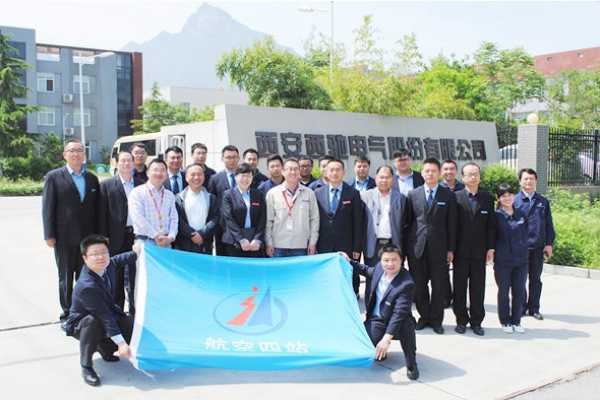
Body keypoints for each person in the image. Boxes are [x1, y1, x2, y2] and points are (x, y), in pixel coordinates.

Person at [65, 234, 137, 387]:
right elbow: (104, 316)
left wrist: (138, 253)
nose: (101, 257)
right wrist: (121, 343)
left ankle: (105, 348)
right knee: (93, 322)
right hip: (83, 324)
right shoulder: (87, 286)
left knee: (132, 326)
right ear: (85, 258)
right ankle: (86, 366)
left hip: (106, 314)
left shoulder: (107, 265)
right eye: (95, 254)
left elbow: (118, 260)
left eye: (104, 252)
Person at [42, 139, 100, 328]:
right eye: (72, 151)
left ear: (84, 154)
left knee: (85, 277)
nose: (76, 154)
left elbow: (96, 209)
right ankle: (67, 314)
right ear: (65, 154)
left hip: (87, 238)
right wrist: (49, 234)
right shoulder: (54, 177)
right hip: (64, 236)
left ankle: (83, 310)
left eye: (79, 150)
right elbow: (48, 207)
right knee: (65, 277)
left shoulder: (91, 178)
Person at [340, 245, 419, 381]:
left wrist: (386, 340)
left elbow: (399, 313)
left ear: (401, 260)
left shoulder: (407, 283)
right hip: (377, 319)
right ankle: (380, 350)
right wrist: (349, 261)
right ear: (381, 260)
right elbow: (366, 270)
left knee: (407, 327)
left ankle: (412, 365)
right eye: (386, 260)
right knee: (364, 347)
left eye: (394, 260)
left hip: (399, 321)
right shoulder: (379, 268)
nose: (390, 264)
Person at [405, 157, 457, 334]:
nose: (430, 174)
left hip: (439, 248)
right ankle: (424, 317)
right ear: (422, 173)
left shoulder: (448, 195)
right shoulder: (413, 194)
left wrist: (450, 249)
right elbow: (408, 223)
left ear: (439, 173)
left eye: (434, 171)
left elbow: (452, 224)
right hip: (417, 248)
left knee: (438, 286)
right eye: (427, 171)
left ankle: (436, 320)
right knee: (419, 285)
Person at [452, 163, 496, 336]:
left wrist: (491, 248)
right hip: (460, 251)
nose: (473, 177)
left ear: (479, 176)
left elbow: (491, 226)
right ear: (462, 177)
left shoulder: (487, 199)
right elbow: (451, 225)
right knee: (459, 288)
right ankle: (461, 320)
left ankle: (477, 322)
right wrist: (451, 249)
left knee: (478, 288)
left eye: (476, 173)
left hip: (479, 251)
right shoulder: (455, 197)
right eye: (469, 174)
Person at [98, 151, 143, 315]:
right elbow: (102, 214)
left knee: (135, 274)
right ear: (116, 164)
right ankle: (117, 311)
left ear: (133, 163)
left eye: (129, 160)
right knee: (115, 275)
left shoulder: (141, 184)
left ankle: (135, 310)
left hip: (136, 235)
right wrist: (104, 238)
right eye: (123, 161)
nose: (126, 163)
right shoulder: (107, 185)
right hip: (115, 236)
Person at [314, 159, 364, 296]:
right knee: (326, 274)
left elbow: (358, 222)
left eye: (338, 170)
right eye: (331, 170)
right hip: (324, 243)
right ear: (325, 172)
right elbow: (315, 220)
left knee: (348, 274)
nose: (334, 173)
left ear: (344, 172)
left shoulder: (353, 193)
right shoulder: (317, 193)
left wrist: (357, 247)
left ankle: (351, 297)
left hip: (346, 243)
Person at [361, 165, 408, 305]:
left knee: (392, 278)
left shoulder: (401, 199)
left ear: (393, 180)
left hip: (393, 244)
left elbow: (406, 224)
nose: (384, 180)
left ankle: (389, 308)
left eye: (387, 177)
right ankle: (371, 309)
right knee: (372, 278)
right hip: (373, 244)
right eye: (381, 177)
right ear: (375, 178)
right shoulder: (364, 197)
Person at [514, 168, 555, 321]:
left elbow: (549, 225)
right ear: (520, 181)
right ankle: (521, 307)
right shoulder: (514, 201)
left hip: (537, 247)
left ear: (536, 181)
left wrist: (549, 244)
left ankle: (534, 308)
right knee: (519, 279)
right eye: (525, 178)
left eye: (531, 178)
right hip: (519, 248)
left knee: (535, 279)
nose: (528, 181)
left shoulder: (543, 202)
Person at [265, 158, 320, 257]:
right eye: (290, 169)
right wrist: (269, 242)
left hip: (302, 245)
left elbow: (314, 219)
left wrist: (313, 242)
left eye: (296, 169)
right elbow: (269, 221)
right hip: (279, 246)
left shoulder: (309, 193)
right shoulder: (273, 193)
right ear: (283, 171)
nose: (293, 172)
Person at [493, 183, 529, 334]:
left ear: (514, 196)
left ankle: (516, 320)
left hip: (521, 260)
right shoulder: (496, 216)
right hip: (503, 261)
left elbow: (526, 234)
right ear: (498, 198)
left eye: (510, 195)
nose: (507, 198)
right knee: (504, 292)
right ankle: (505, 321)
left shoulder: (521, 214)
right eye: (503, 196)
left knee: (519, 291)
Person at [128, 159, 178, 248]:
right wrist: (156, 235)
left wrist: (171, 237)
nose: (159, 173)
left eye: (162, 170)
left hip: (166, 242)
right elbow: (137, 217)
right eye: (155, 170)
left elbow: (174, 218)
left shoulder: (169, 195)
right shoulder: (137, 192)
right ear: (148, 173)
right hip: (145, 241)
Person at [221, 163, 267, 257]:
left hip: (254, 243)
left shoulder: (258, 194)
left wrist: (257, 239)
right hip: (234, 242)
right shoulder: (228, 195)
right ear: (236, 177)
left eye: (248, 175)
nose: (245, 179)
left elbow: (262, 218)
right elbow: (229, 218)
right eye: (242, 175)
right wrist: (241, 239)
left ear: (252, 177)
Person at [174, 163, 220, 254]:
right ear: (186, 177)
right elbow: (177, 219)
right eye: (192, 174)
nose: (196, 177)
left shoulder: (211, 198)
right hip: (184, 245)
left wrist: (202, 233)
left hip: (205, 244)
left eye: (199, 174)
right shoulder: (178, 199)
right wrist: (192, 235)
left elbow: (216, 218)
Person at [439, 159, 465, 309]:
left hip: (462, 235)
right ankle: (446, 296)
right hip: (444, 235)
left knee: (460, 271)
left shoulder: (463, 188)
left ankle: (459, 299)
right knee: (443, 270)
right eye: (446, 169)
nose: (449, 172)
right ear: (441, 172)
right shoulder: (438, 189)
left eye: (451, 169)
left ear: (456, 171)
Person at [208, 145, 240, 255]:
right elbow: (212, 203)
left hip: (242, 225)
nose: (232, 160)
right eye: (228, 157)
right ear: (222, 159)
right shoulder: (215, 179)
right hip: (222, 227)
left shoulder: (245, 177)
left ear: (239, 158)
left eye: (234, 157)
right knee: (223, 255)